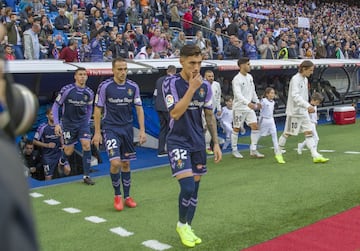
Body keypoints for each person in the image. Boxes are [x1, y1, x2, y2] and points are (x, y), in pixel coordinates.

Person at [162, 44, 222, 248]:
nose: (196, 67)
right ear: (182, 61)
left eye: (199, 63)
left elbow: (209, 115)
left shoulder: (205, 86)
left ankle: (187, 226)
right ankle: (181, 224)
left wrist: (215, 142)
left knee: (194, 189)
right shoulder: (170, 83)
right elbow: (175, 113)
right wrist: (192, 88)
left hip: (197, 141)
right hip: (178, 140)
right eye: (192, 63)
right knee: (187, 186)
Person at [92, 58, 147, 211]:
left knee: (126, 163)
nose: (123, 72)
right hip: (111, 129)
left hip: (127, 129)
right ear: (113, 70)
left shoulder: (133, 86)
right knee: (115, 163)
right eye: (120, 69)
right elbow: (98, 110)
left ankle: (127, 197)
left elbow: (139, 108)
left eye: (125, 69)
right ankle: (117, 195)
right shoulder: (105, 86)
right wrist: (97, 132)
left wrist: (142, 130)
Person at [278, 60, 329, 163]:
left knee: (309, 132)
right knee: (287, 133)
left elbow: (304, 96)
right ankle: (278, 152)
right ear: (304, 69)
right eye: (310, 70)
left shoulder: (305, 79)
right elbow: (295, 96)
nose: (311, 72)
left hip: (303, 111)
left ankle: (315, 155)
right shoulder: (295, 79)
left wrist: (307, 107)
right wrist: (307, 105)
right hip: (294, 112)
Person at [52, 67, 96, 185]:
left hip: (82, 124)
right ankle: (62, 161)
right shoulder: (67, 90)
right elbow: (56, 106)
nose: (82, 76)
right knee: (68, 151)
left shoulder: (89, 93)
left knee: (86, 145)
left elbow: (89, 108)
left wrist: (86, 121)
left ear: (87, 77)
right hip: (68, 124)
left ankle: (86, 176)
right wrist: (57, 124)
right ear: (75, 77)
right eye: (80, 74)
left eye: (84, 75)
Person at [231, 57, 263, 159]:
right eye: (248, 64)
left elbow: (252, 91)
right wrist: (247, 103)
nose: (250, 66)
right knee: (236, 128)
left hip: (249, 108)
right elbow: (238, 95)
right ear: (242, 65)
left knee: (255, 126)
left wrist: (257, 101)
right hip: (239, 108)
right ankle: (234, 150)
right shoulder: (236, 79)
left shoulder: (250, 77)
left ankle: (253, 149)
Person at [33, 107, 70, 180]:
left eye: (55, 115)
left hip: (59, 153)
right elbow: (34, 141)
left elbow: (65, 137)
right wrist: (46, 145)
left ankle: (61, 172)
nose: (54, 116)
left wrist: (64, 144)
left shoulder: (61, 125)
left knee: (67, 170)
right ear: (47, 115)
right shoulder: (43, 127)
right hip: (48, 156)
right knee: (48, 178)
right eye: (52, 114)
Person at [153, 64, 176, 157]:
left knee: (163, 129)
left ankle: (161, 150)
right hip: (168, 107)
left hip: (159, 106)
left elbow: (155, 93)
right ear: (174, 72)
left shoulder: (159, 80)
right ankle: (172, 149)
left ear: (167, 71)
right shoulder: (173, 80)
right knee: (173, 128)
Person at [258, 87, 285, 164]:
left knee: (274, 135)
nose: (273, 95)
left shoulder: (273, 102)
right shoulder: (263, 101)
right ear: (267, 94)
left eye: (273, 93)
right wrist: (259, 122)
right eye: (271, 93)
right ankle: (253, 146)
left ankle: (277, 152)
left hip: (271, 120)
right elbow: (259, 108)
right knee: (260, 134)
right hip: (264, 120)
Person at [204, 69, 221, 154]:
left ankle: (210, 146)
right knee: (205, 128)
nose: (211, 78)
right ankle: (206, 146)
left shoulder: (216, 85)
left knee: (211, 128)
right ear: (205, 77)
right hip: (203, 111)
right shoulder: (202, 85)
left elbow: (218, 97)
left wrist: (219, 108)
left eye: (212, 76)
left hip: (212, 110)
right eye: (209, 76)